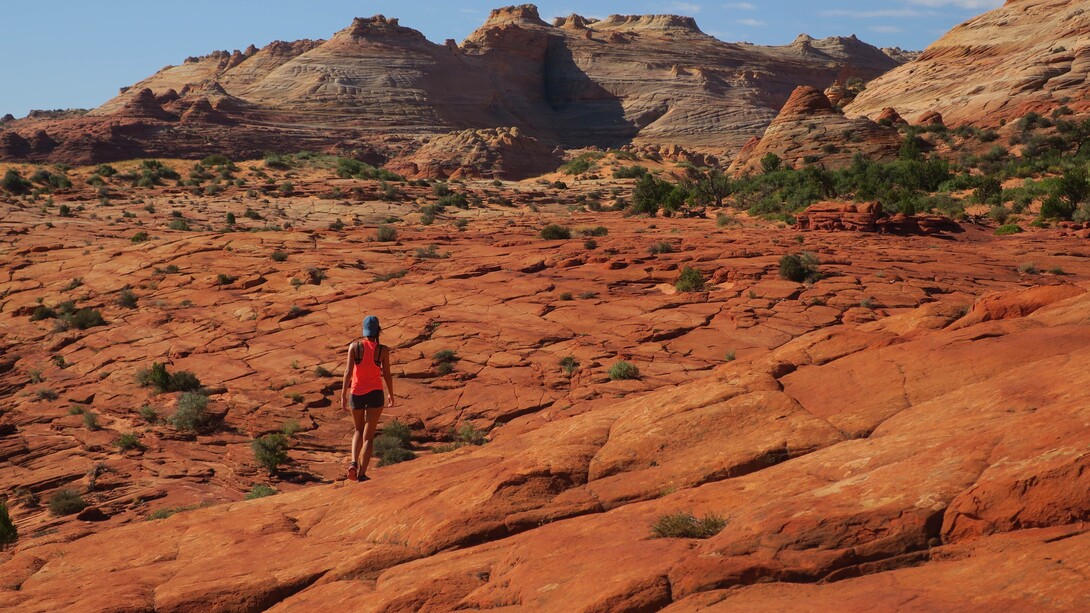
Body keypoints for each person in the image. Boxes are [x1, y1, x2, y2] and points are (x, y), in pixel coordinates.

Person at [341, 315, 395, 481]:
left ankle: (353, 463)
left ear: (364, 330)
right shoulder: (383, 350)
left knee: (358, 429)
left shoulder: (354, 347)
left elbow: (348, 372)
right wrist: (391, 394)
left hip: (356, 393)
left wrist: (343, 394)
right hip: (375, 394)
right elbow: (387, 374)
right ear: (378, 330)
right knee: (369, 436)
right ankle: (362, 474)